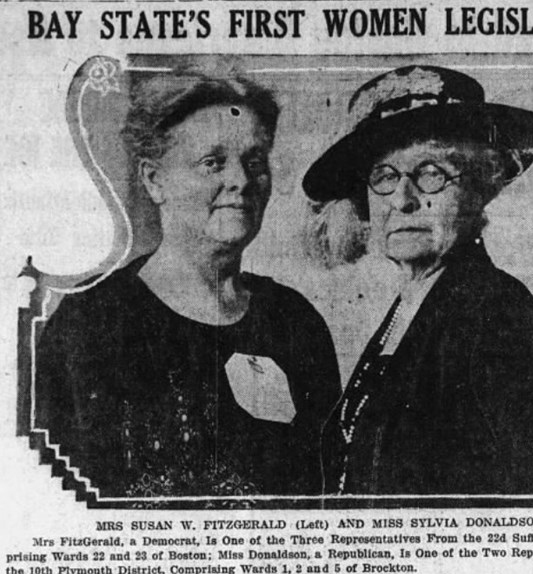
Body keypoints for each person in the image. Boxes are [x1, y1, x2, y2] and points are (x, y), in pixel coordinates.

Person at [303, 65, 533, 496]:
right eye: (385, 176)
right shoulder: (407, 309)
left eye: (432, 173)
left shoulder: (505, 321)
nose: (404, 200)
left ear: (482, 186)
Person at [35, 70, 340, 500]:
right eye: (212, 162)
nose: (241, 180)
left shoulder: (294, 321)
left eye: (254, 162)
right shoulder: (91, 321)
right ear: (153, 180)